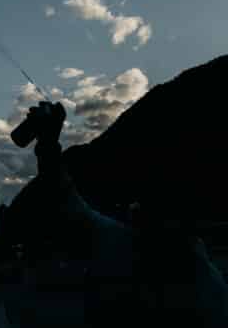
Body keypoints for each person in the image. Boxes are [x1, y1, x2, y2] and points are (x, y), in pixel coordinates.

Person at [12, 101, 228, 326]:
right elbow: (65, 198)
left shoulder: (127, 247)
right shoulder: (204, 280)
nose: (134, 207)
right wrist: (48, 143)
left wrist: (48, 143)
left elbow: (64, 199)